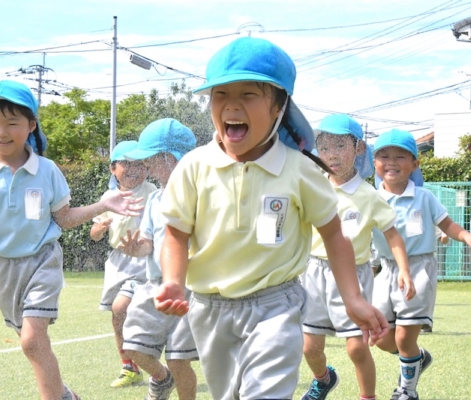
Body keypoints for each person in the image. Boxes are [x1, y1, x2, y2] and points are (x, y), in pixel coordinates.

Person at [155, 37, 389, 400]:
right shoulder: (193, 166)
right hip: (208, 308)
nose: (231, 105)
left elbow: (334, 234)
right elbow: (175, 232)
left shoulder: (299, 170)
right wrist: (172, 280)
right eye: (220, 95)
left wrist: (353, 298)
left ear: (279, 105)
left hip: (275, 304)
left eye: (248, 94)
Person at [0, 80, 143, 400]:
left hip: (42, 261)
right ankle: (65, 396)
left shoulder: (47, 171)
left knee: (32, 341)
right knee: (31, 343)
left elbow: (65, 218)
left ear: (31, 125)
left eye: (11, 123)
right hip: (1, 270)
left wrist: (104, 205)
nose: (1, 131)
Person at [301, 114, 415, 400]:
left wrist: (403, 269)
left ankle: (368, 397)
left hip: (354, 274)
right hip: (313, 271)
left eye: (340, 146)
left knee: (357, 347)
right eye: (324, 147)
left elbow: (393, 235)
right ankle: (323, 379)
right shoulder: (313, 185)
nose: (331, 155)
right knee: (309, 347)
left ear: (359, 148)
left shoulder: (369, 195)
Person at [371, 129, 471, 400]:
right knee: (380, 338)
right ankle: (417, 359)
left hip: (419, 268)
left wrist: (467, 236)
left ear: (414, 164)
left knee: (403, 338)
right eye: (383, 156)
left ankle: (407, 391)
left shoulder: (425, 197)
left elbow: (447, 225)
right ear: (374, 163)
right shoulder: (370, 198)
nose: (391, 161)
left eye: (401, 156)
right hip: (385, 270)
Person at [119, 118, 199, 400]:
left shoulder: (200, 195)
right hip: (154, 285)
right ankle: (162, 378)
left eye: (152, 158)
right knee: (132, 348)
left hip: (189, 289)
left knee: (179, 359)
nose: (147, 165)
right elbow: (147, 244)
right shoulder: (154, 200)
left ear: (173, 158)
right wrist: (135, 248)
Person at [89, 140, 156, 388]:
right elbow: (94, 233)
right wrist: (100, 227)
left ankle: (149, 362)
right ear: (112, 169)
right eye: (126, 164)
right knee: (118, 316)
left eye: (139, 163)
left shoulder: (153, 192)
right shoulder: (108, 197)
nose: (133, 168)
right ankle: (129, 367)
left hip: (146, 260)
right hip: (119, 262)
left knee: (122, 307)